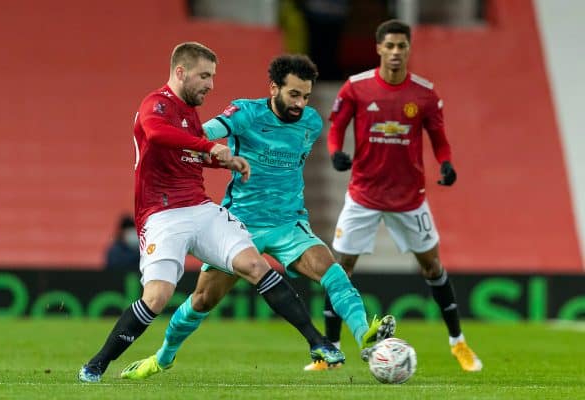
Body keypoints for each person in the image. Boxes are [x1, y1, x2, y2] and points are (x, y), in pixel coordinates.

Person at [78, 42, 345, 383]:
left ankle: (319, 343)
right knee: (157, 296)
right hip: (162, 213)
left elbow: (191, 156)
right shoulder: (156, 104)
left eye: (212, 77)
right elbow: (159, 135)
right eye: (204, 76)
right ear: (180, 72)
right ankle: (97, 364)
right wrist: (210, 146)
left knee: (255, 265)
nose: (210, 84)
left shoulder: (190, 115)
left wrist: (226, 160)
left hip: (201, 208)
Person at [119, 54, 395, 380]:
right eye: (294, 94)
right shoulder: (246, 112)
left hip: (288, 223)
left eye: (306, 96)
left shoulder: (311, 123)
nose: (301, 104)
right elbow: (206, 131)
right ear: (274, 88)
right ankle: (162, 358)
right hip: (241, 224)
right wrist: (190, 143)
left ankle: (364, 335)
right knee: (203, 300)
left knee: (332, 272)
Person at [325, 20, 483, 372]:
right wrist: (336, 152)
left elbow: (439, 139)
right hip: (363, 193)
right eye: (390, 46)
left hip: (410, 197)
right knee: (341, 270)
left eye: (402, 47)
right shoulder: (356, 88)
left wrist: (446, 164)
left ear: (409, 50)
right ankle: (330, 350)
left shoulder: (425, 93)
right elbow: (335, 128)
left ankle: (458, 343)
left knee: (432, 266)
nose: (396, 52)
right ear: (378, 48)